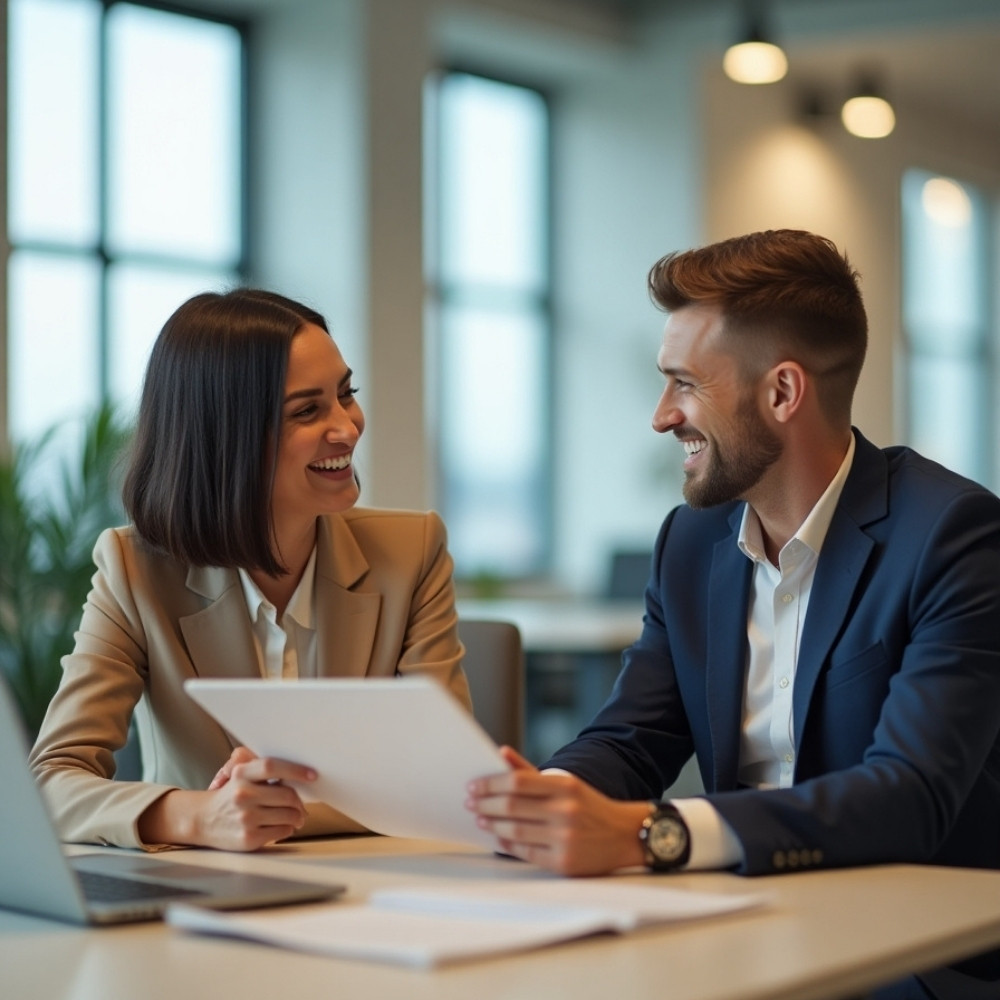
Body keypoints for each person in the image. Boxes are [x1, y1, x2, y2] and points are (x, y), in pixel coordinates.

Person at [466, 230, 1000, 999]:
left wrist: (660, 832)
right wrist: (546, 799)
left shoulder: (951, 534)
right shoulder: (690, 541)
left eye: (684, 384)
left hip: (910, 953)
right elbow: (632, 737)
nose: (660, 416)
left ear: (782, 393)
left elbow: (909, 796)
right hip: (733, 921)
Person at [30, 288, 470, 853]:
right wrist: (195, 816)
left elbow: (445, 776)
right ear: (225, 437)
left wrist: (278, 810)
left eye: (345, 394)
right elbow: (52, 780)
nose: (348, 427)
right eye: (307, 411)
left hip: (374, 885)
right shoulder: (134, 570)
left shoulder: (413, 552)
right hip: (199, 897)